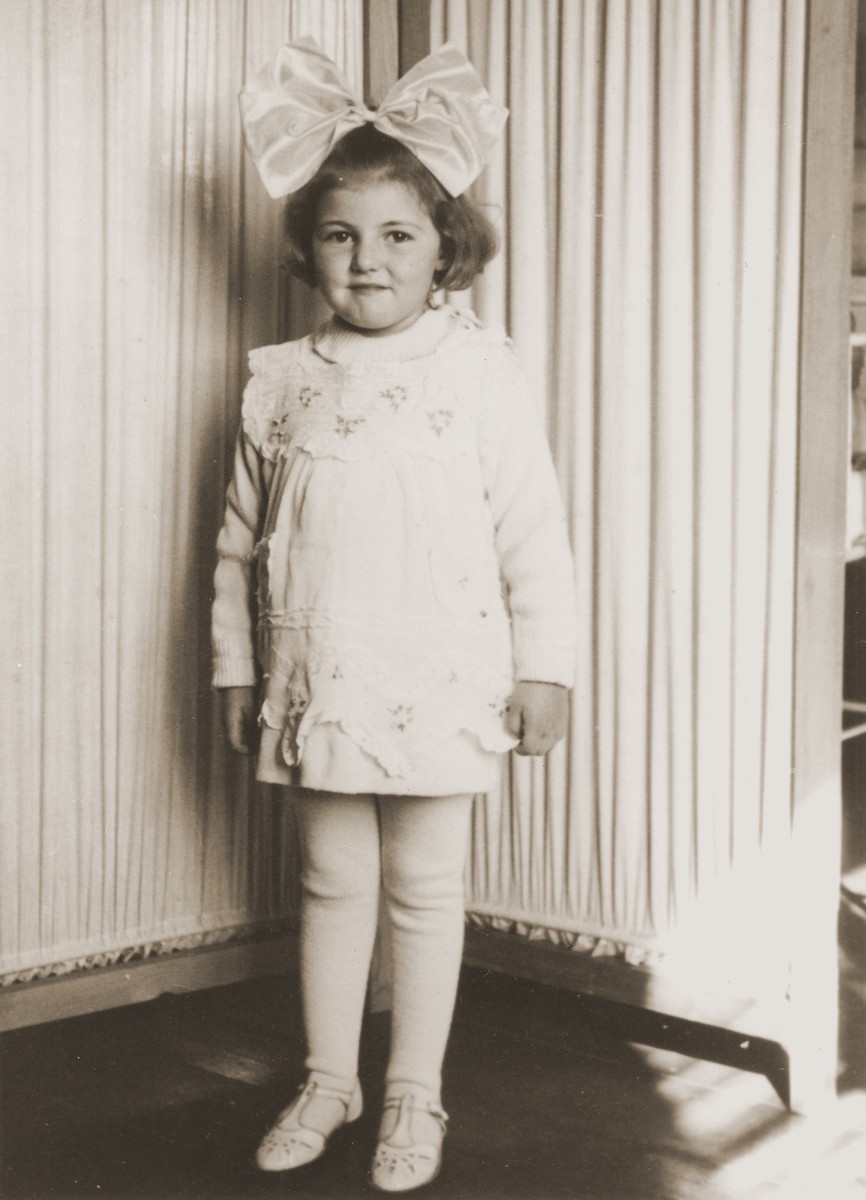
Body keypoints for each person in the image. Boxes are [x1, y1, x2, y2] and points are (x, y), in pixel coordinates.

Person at [212, 39, 576, 1193]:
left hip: (443, 672)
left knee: (423, 887)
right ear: (308, 247)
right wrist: (234, 671)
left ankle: (414, 1089)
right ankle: (332, 1075)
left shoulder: (480, 374)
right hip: (322, 675)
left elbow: (532, 536)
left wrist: (546, 670)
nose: (366, 262)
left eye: (396, 236)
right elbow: (236, 543)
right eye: (340, 235)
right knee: (328, 882)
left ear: (444, 252)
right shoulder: (280, 378)